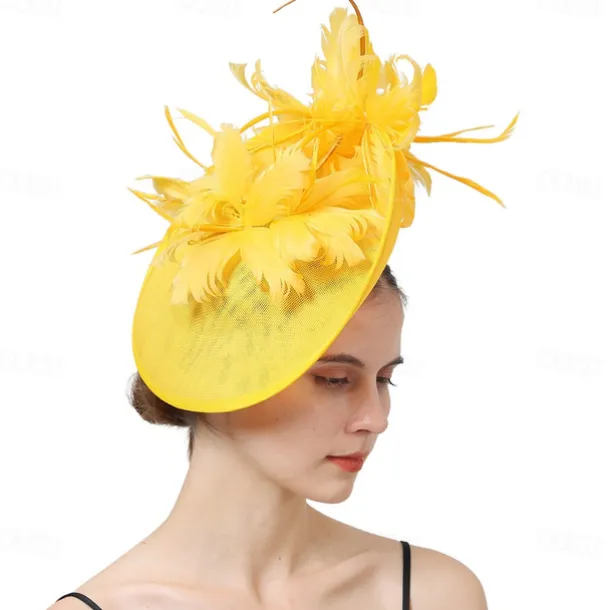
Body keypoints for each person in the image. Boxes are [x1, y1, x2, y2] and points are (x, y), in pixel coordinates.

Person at [50, 2, 516, 608]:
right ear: (221, 370)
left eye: (384, 379)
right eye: (334, 379)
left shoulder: (431, 593)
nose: (376, 419)